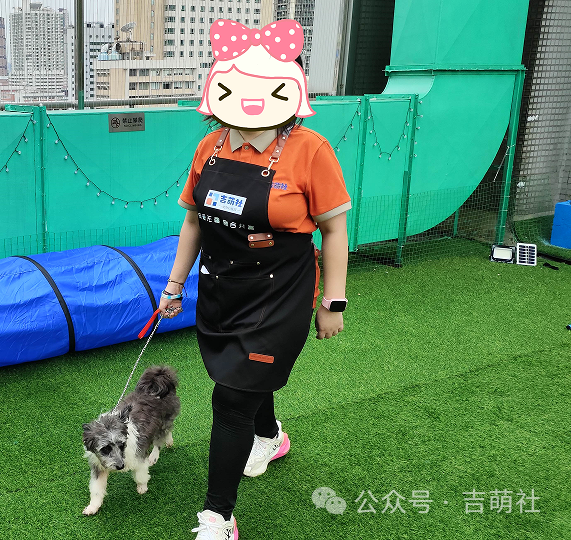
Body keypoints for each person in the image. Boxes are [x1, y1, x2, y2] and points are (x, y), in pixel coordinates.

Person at [158, 18, 351, 540]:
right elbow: (194, 222)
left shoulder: (310, 150)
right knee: (239, 379)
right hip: (222, 289)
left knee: (230, 398)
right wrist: (174, 286)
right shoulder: (210, 147)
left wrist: (332, 301)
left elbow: (334, 230)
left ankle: (218, 517)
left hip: (279, 294)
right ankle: (270, 436)